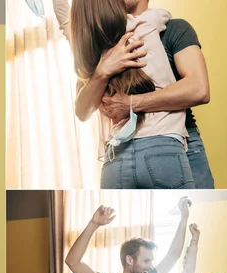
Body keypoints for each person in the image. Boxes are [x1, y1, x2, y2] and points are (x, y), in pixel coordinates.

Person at [65, 0, 194, 189]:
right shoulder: (144, 24)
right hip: (161, 146)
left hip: (115, 160)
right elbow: (163, 15)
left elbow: (81, 112)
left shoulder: (89, 52)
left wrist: (102, 72)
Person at [98, 6, 214, 188]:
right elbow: (86, 105)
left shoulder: (175, 29)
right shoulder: (107, 40)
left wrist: (130, 103)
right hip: (123, 144)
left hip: (183, 139)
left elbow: (199, 89)